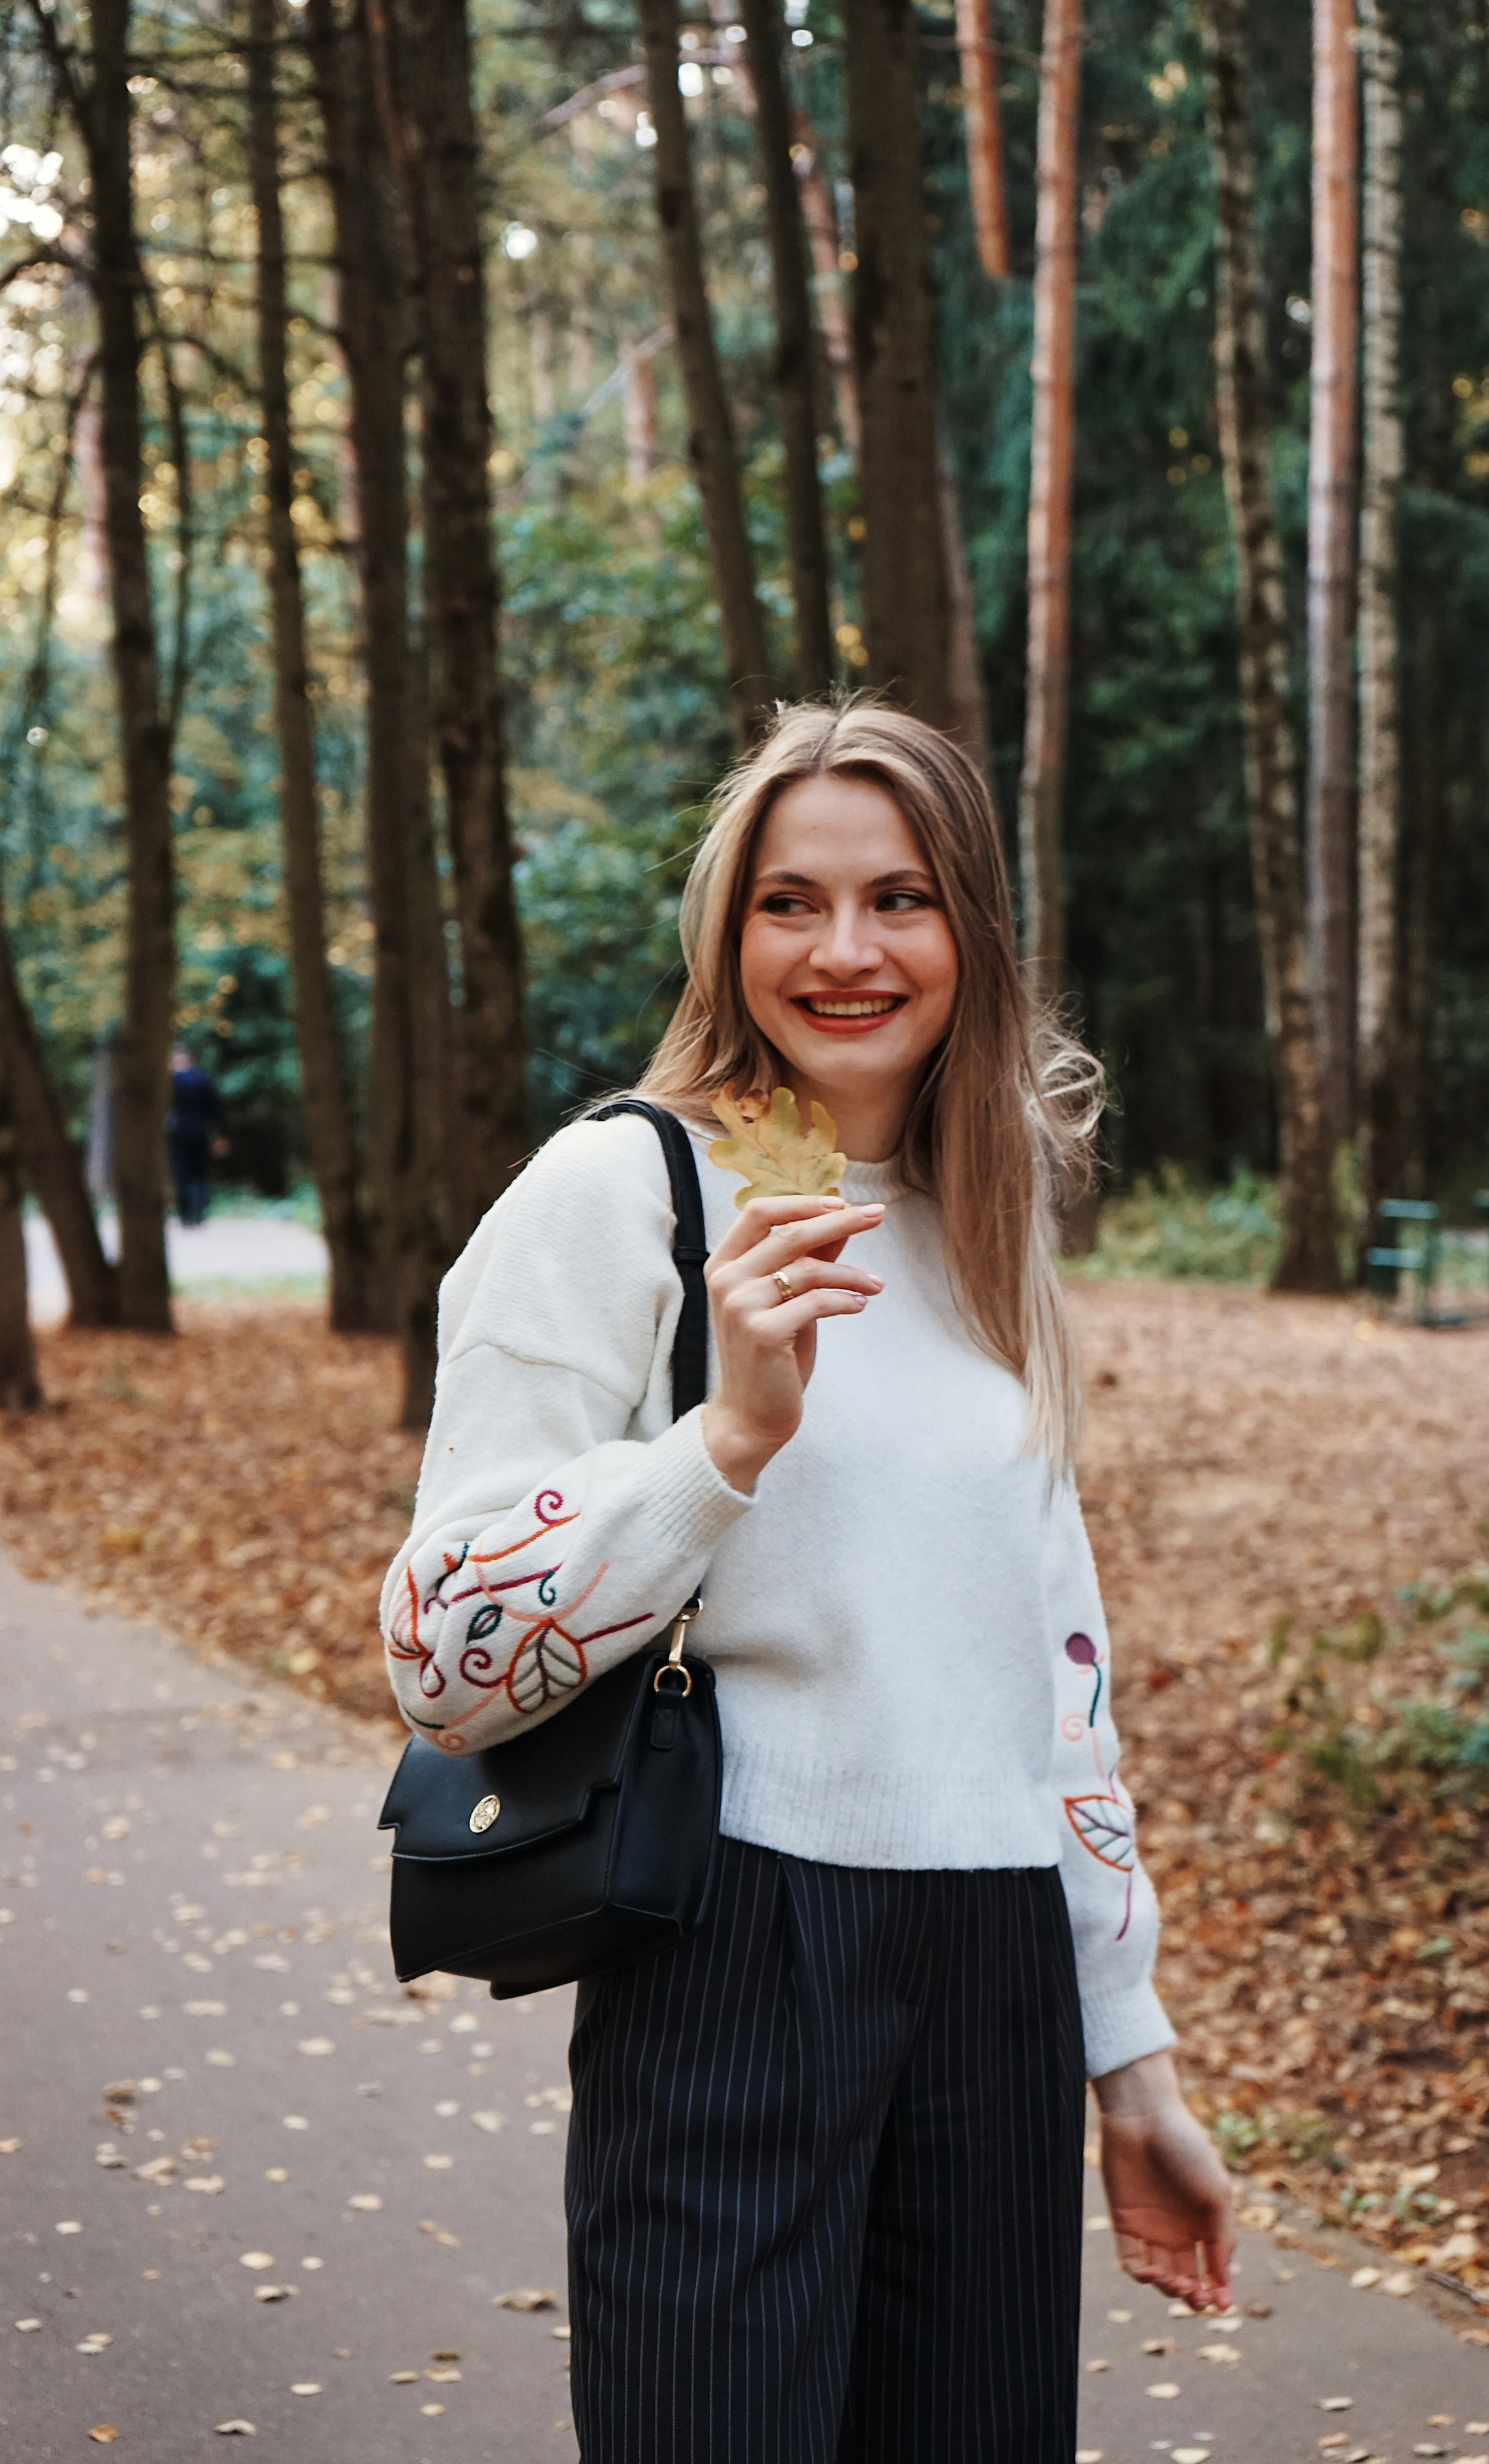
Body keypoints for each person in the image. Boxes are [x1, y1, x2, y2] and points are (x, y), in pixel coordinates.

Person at [381, 701, 1235, 2464]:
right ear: (729, 931)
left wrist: (1127, 2059)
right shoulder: (622, 1194)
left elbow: (1052, 1682)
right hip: (736, 1942)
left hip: (994, 1969)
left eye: (899, 898)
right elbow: (443, 1655)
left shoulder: (983, 1220)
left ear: (970, 935)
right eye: (791, 902)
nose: (846, 951)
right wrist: (722, 1445)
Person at [166, 1046, 227, 1227]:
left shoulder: (170, 1081)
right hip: (200, 1132)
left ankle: (185, 1215)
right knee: (199, 1172)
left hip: (177, 1134)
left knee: (181, 1173)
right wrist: (218, 1135)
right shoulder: (204, 1079)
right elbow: (216, 1109)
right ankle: (198, 1212)